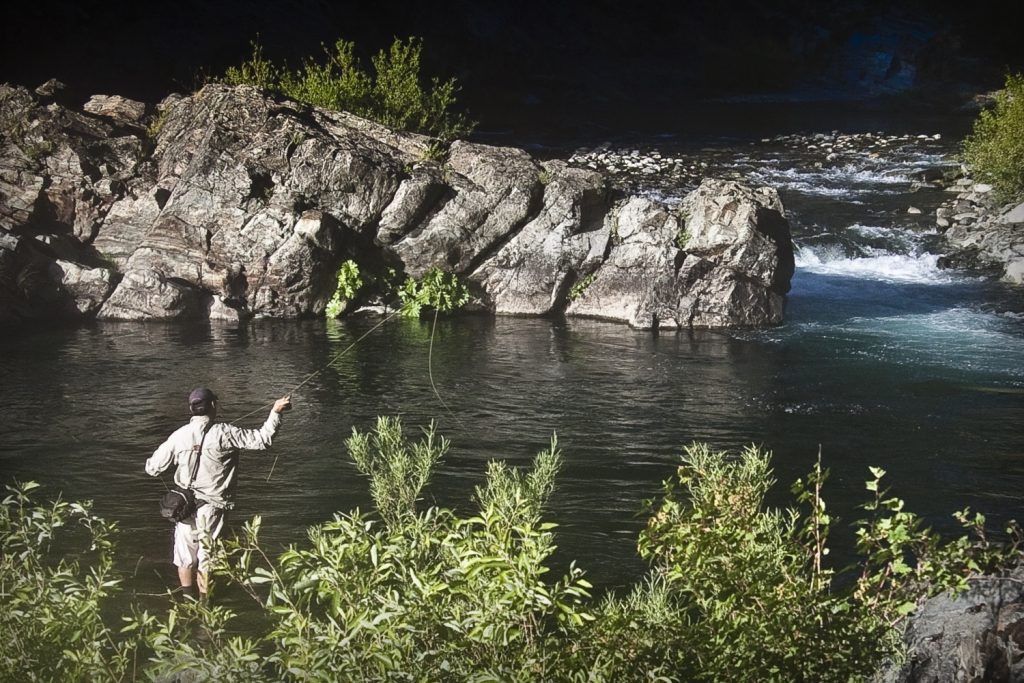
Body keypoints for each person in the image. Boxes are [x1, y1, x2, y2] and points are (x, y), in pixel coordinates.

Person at [146, 387, 292, 600]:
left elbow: (152, 468)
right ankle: (206, 610)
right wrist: (276, 411)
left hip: (183, 507)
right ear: (213, 405)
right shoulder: (225, 432)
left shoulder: (178, 435)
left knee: (185, 558)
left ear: (191, 409)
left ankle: (188, 603)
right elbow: (262, 440)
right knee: (207, 559)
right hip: (212, 507)